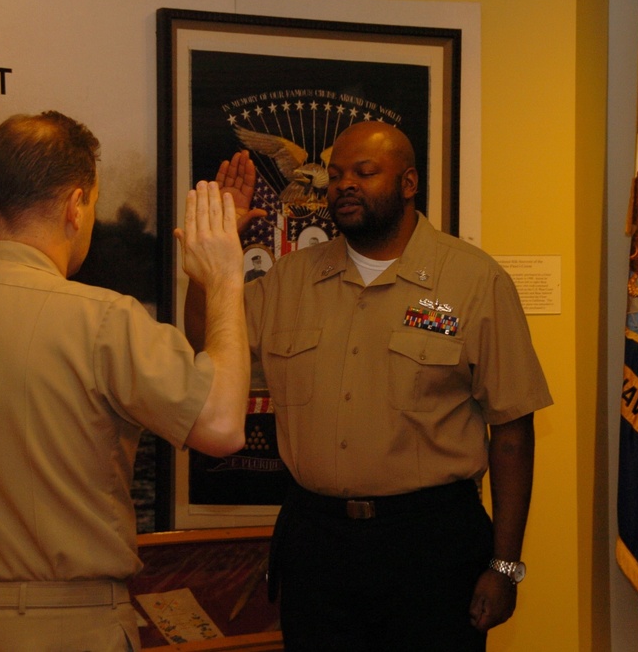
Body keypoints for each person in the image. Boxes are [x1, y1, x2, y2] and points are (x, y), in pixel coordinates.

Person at [0, 110, 249, 651]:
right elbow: (222, 427)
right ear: (76, 205)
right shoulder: (105, 319)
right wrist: (223, 277)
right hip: (69, 628)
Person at [195, 121, 553, 651]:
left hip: (431, 546)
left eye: (364, 172)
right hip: (317, 545)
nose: (344, 185)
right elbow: (205, 346)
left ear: (408, 183)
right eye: (336, 175)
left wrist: (505, 566)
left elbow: (513, 433)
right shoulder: (292, 281)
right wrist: (218, 260)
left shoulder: (474, 282)